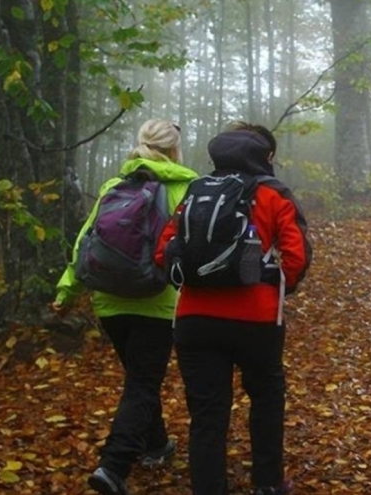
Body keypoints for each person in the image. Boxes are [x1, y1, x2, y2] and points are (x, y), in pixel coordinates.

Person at [156, 123, 309, 495]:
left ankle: (208, 487)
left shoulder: (197, 190)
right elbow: (297, 256)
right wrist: (275, 286)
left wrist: (195, 281)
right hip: (257, 319)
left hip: (194, 319)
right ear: (264, 156)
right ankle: (267, 483)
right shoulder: (273, 193)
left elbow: (164, 250)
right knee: (266, 399)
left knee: (207, 412)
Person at [52, 119, 198, 495]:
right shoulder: (185, 188)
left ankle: (156, 444)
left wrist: (67, 291)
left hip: (109, 301)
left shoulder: (113, 186)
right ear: (174, 150)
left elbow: (85, 240)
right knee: (143, 382)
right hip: (156, 300)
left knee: (139, 378)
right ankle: (114, 466)